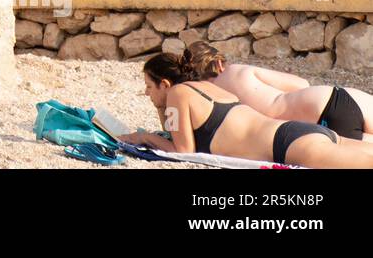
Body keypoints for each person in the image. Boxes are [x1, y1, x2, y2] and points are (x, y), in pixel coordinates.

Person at [118, 50, 373, 167]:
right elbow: (175, 130)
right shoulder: (209, 89)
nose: (146, 93)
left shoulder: (177, 94)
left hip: (288, 146)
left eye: (149, 87)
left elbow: (183, 150)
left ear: (165, 83)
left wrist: (142, 137)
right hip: (298, 133)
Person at [182, 41, 373, 140]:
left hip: (313, 132)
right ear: (218, 64)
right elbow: (301, 84)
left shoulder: (203, 98)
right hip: (323, 102)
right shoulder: (236, 71)